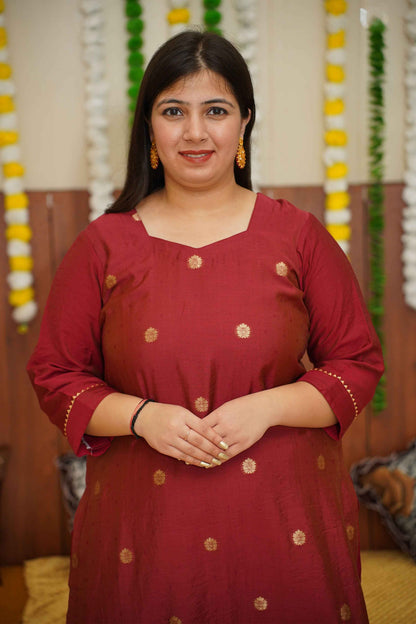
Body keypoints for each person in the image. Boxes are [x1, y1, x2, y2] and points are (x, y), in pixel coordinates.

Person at [27, 30, 384, 624]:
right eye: (174, 112)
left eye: (215, 111)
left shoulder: (297, 236)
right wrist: (143, 417)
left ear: (244, 123)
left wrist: (266, 408)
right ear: (149, 127)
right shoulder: (103, 245)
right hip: (143, 531)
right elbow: (56, 375)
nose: (195, 132)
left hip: (283, 521)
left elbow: (357, 364)